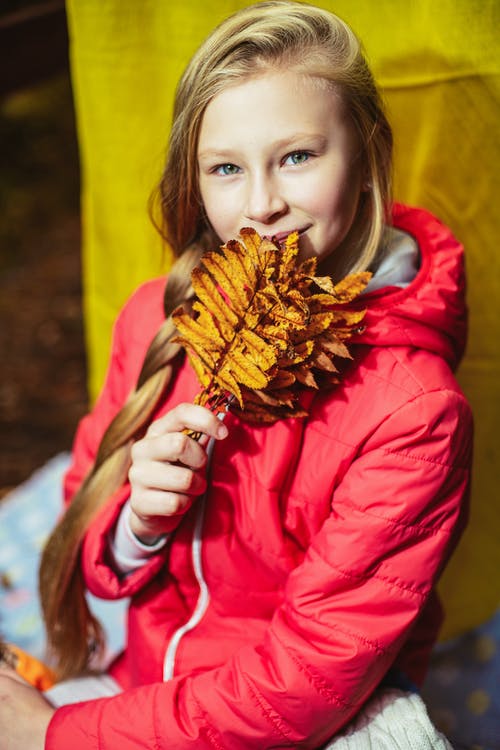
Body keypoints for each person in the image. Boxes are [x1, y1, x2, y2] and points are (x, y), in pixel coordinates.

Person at [0, 2, 472, 748]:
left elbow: (305, 682)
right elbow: (88, 545)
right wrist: (137, 526)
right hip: (152, 684)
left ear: (367, 155)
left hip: (320, 716)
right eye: (227, 168)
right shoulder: (151, 319)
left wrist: (52, 735)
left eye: (297, 157)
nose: (261, 206)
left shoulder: (415, 412)